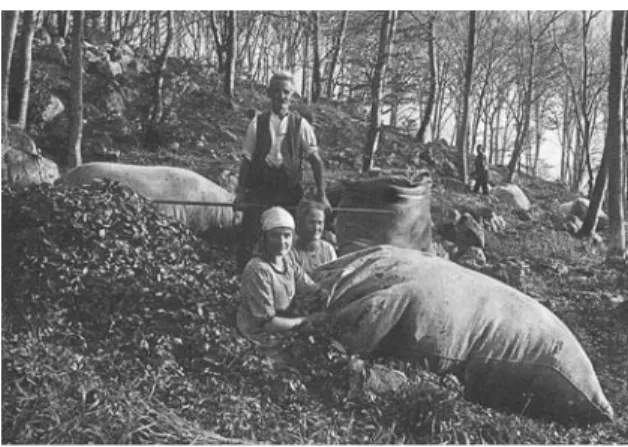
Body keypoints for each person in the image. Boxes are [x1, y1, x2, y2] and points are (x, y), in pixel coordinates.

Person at [234, 71, 331, 272]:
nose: (281, 96)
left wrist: (322, 194)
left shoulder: (301, 125)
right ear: (269, 93)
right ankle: (246, 279)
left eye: (286, 92)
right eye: (276, 91)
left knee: (290, 236)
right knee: (250, 235)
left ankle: (288, 278)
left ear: (291, 95)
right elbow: (247, 159)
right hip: (261, 188)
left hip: (289, 190)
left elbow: (315, 161)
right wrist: (240, 193)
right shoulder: (257, 123)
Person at [236, 207, 329, 343]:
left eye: (286, 235)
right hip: (259, 334)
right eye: (275, 235)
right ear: (264, 238)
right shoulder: (258, 270)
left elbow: (307, 285)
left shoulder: (287, 260)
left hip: (285, 322)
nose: (281, 242)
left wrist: (323, 294)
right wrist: (307, 320)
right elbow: (267, 324)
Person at [293, 200, 337, 274]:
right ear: (301, 223)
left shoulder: (328, 248)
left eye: (320, 223)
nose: (316, 227)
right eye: (312, 222)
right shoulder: (293, 252)